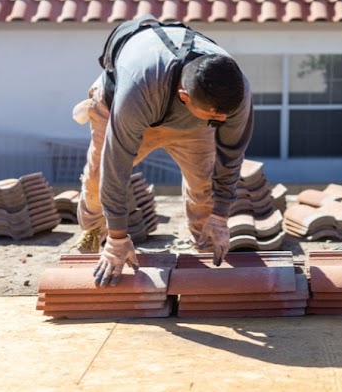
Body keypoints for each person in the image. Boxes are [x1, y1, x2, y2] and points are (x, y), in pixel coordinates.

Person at [71, 16, 253, 287]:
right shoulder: (138, 88)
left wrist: (221, 215)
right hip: (125, 109)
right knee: (98, 182)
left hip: (192, 124)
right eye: (215, 117)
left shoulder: (234, 95)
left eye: (226, 116)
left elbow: (231, 155)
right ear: (184, 97)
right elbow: (116, 164)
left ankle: (204, 251)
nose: (224, 122)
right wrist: (119, 237)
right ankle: (96, 236)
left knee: (205, 189)